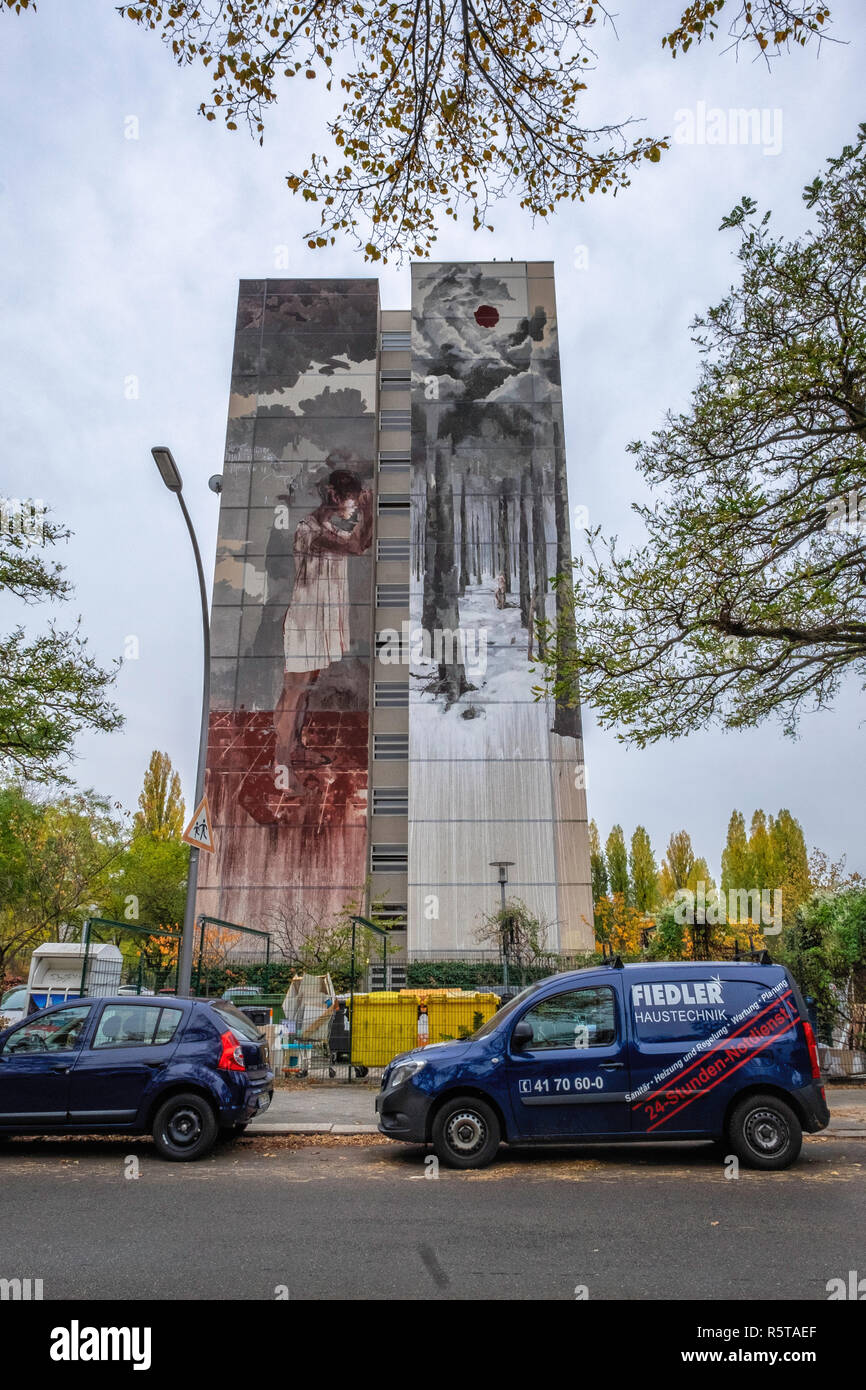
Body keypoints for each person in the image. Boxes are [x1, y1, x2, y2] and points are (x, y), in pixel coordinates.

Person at [274, 457, 373, 793]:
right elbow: (359, 545)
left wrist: (363, 511)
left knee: (302, 692)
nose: (352, 508)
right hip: (304, 624)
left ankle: (296, 747)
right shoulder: (311, 531)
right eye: (350, 501)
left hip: (316, 624)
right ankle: (281, 767)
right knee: (294, 692)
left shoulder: (328, 529)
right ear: (334, 496)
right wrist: (370, 510)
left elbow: (356, 541)